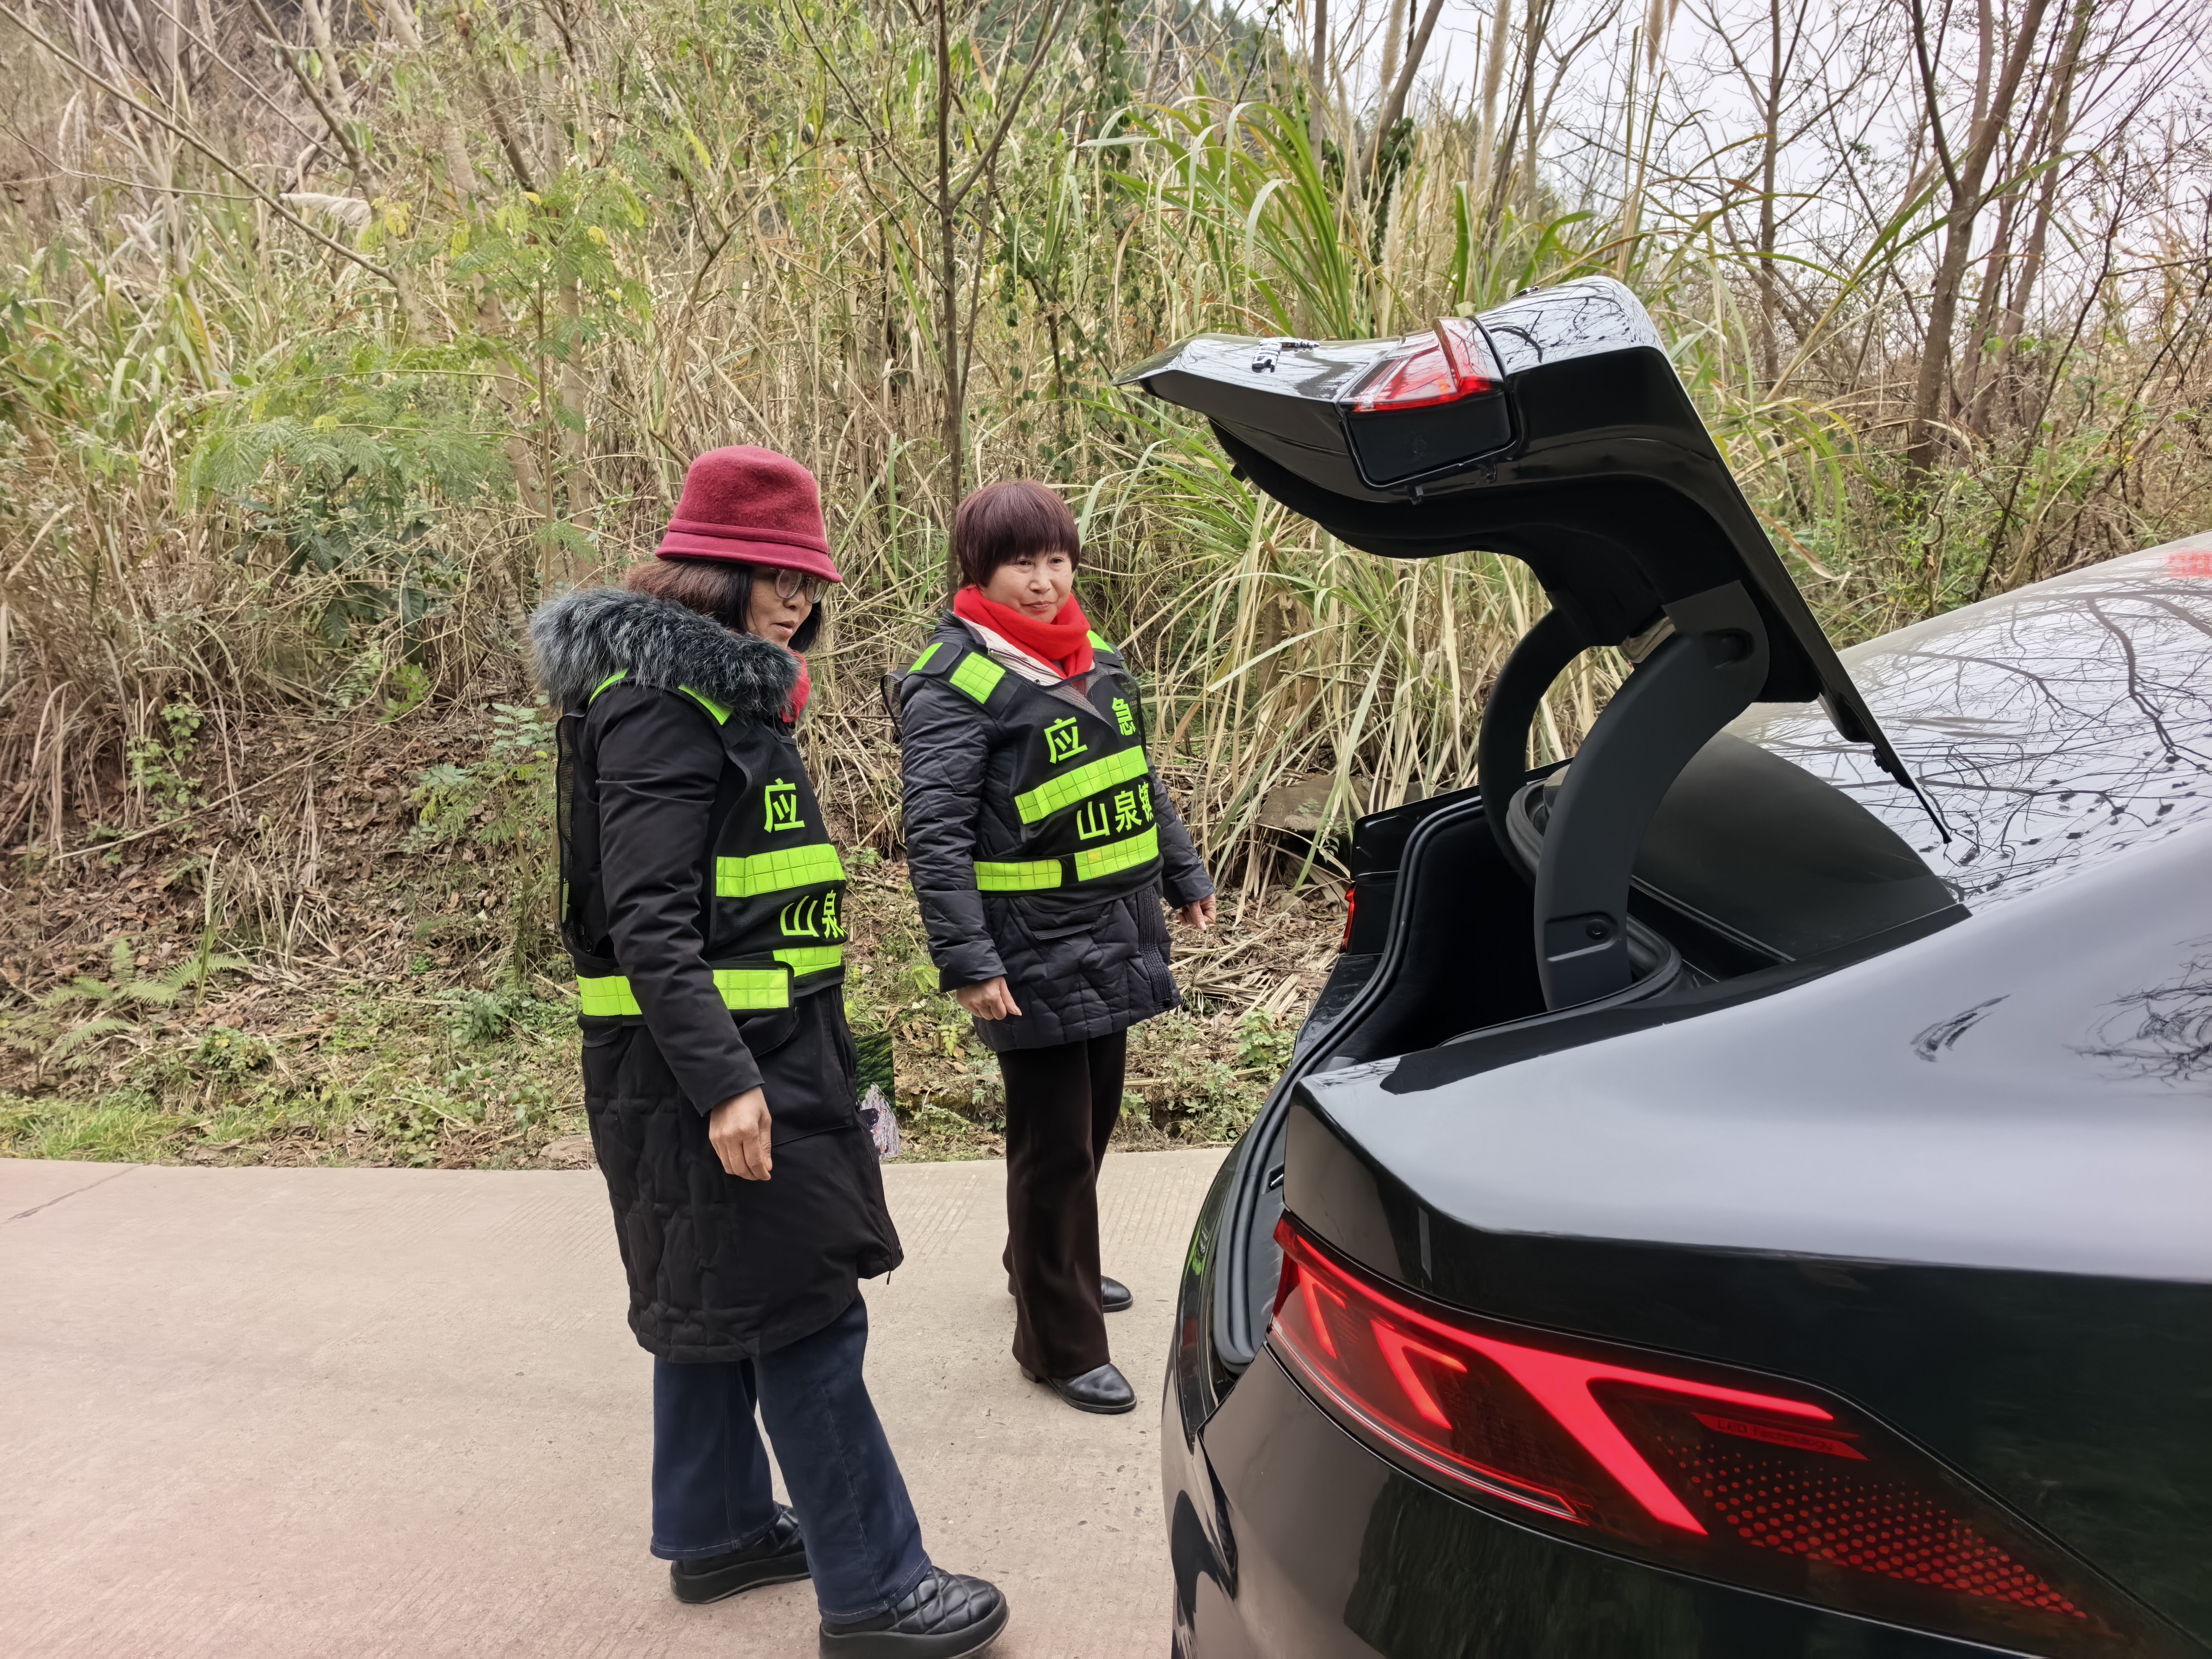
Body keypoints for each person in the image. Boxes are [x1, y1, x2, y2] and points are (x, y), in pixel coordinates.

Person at [530, 446, 1009, 1658]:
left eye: (808, 580)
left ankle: (721, 1531)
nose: (796, 600)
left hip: (746, 1054)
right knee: (805, 1313)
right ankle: (879, 1592)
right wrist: (727, 1085)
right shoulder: (663, 704)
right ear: (710, 570)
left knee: (715, 1298)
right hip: (715, 1068)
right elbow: (648, 920)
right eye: (774, 575)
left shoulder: (714, 697)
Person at [897, 481, 1217, 1415]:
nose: (1043, 583)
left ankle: (1044, 1263)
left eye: (1056, 561)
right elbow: (937, 834)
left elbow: (1137, 778)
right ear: (978, 570)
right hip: (1027, 947)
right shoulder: (953, 682)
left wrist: (1184, 872)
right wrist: (969, 960)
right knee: (1056, 1147)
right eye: (1020, 565)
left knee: (1089, 1124)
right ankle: (1059, 1342)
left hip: (1114, 930)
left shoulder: (1095, 659)